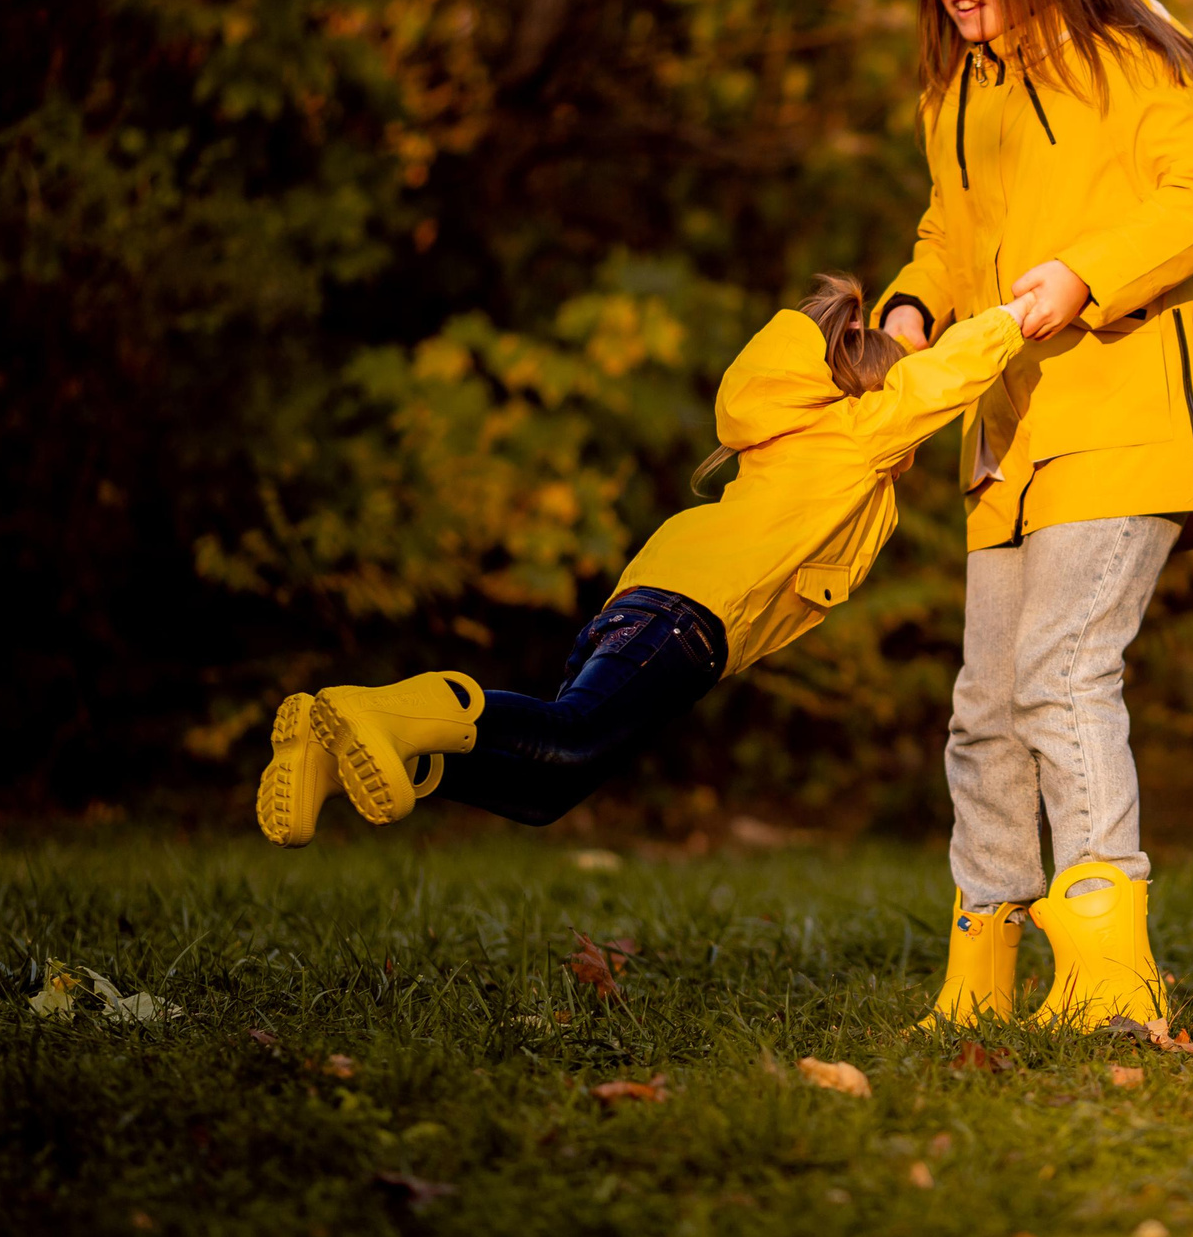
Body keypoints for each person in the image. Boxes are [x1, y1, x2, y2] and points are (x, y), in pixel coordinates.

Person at [878, 0, 1193, 1032]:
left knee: (1061, 673)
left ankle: (1109, 974)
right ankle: (982, 976)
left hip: (1122, 415)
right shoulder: (954, 98)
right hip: (1009, 441)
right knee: (983, 708)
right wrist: (908, 309)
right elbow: (949, 239)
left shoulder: (1123, 59)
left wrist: (1084, 274)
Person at [255, 275, 1042, 847]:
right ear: (867, 391)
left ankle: (344, 746)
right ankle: (383, 713)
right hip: (688, 614)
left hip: (655, 600)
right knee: (568, 735)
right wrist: (1017, 312)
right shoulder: (854, 435)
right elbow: (942, 378)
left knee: (545, 787)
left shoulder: (788, 432)